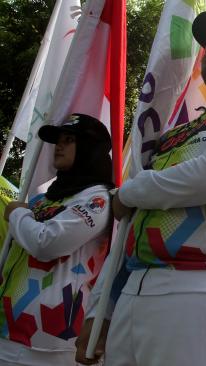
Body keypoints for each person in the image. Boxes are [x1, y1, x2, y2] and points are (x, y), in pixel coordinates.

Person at [75, 12, 206, 366]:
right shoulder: (178, 133)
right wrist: (101, 308)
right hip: (136, 286)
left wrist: (129, 191)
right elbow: (136, 221)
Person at [0, 114, 114, 365]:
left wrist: (17, 213)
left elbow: (47, 244)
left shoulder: (99, 199)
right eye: (58, 140)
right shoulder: (42, 199)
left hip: (51, 342)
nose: (58, 146)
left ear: (89, 148)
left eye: (69, 140)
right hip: (7, 330)